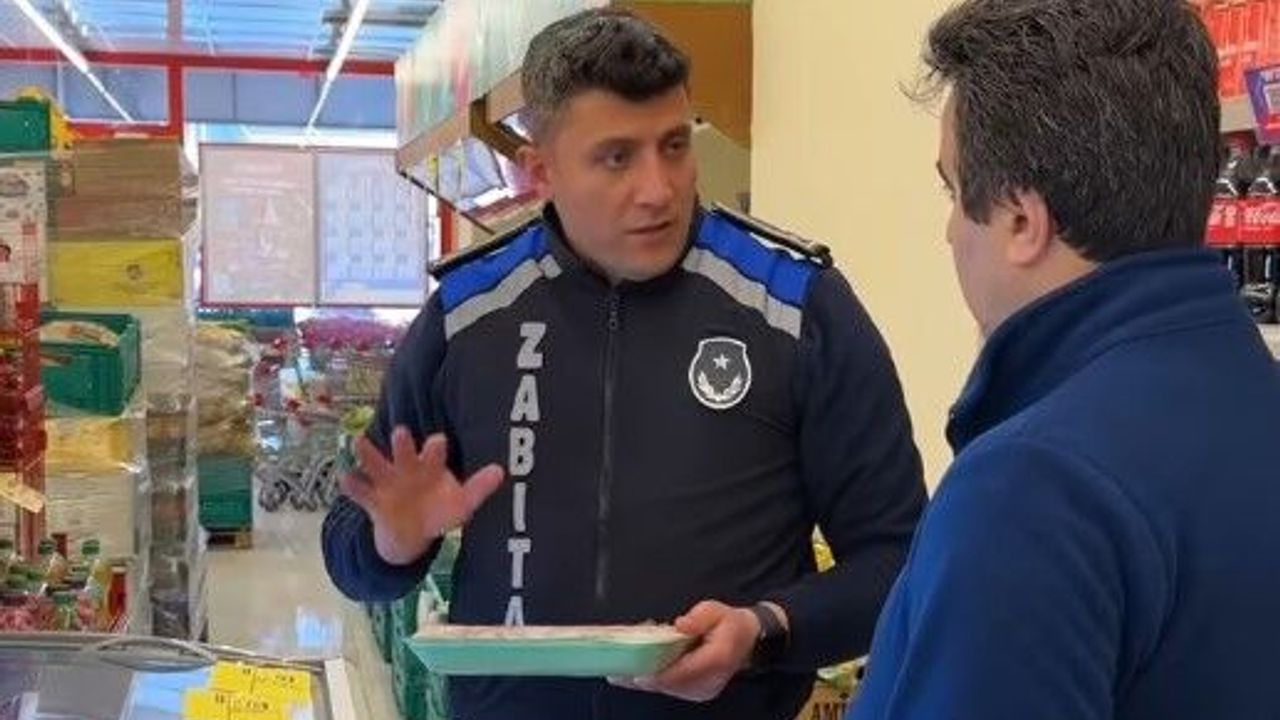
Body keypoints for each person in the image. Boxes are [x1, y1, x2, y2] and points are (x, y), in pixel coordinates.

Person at [323, 8, 926, 720]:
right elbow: (351, 553)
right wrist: (393, 542)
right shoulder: (466, 316)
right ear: (540, 171)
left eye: (674, 145)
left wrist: (764, 629)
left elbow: (901, 561)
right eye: (617, 158)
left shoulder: (796, 306)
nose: (659, 189)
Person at [851, 1, 1280, 719]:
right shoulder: (1254, 405)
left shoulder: (1031, 489)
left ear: (1022, 220)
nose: (950, 232)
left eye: (954, 191)